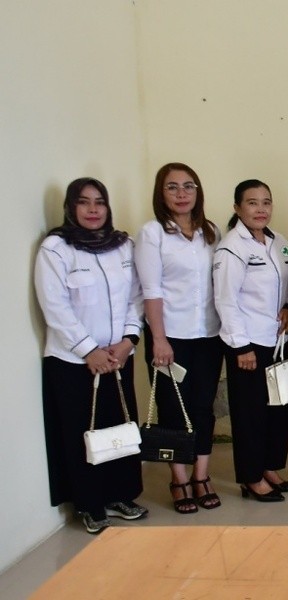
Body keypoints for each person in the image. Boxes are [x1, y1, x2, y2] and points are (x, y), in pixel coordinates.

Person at [35, 177, 148, 534]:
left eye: (99, 202)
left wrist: (129, 340)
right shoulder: (56, 249)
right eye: (84, 202)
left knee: (120, 427)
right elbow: (55, 307)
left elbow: (136, 297)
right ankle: (89, 504)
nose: (93, 209)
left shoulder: (123, 246)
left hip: (118, 356)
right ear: (71, 207)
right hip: (73, 362)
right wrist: (88, 350)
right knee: (82, 432)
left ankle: (120, 495)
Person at [136, 163, 225, 514]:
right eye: (172, 187)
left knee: (203, 407)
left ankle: (202, 476)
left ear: (198, 191)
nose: (182, 193)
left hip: (209, 334)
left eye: (189, 186)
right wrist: (158, 339)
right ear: (161, 193)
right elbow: (151, 290)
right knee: (174, 409)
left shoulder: (211, 232)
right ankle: (179, 479)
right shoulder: (153, 233)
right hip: (170, 337)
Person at [214, 179, 288, 502]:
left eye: (266, 202)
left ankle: (269, 466)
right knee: (250, 413)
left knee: (280, 409)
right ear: (237, 208)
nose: (261, 209)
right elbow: (225, 300)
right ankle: (251, 477)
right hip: (248, 344)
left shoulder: (280, 242)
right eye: (252, 203)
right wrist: (241, 346)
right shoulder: (231, 248)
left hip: (278, 341)